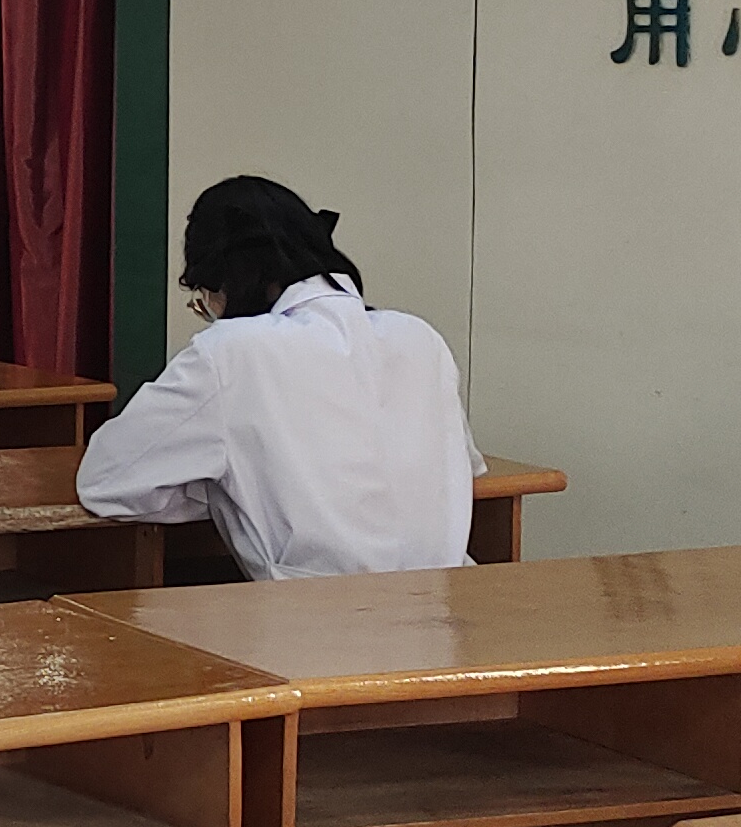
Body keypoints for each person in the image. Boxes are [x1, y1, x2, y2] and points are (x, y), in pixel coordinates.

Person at [75, 175, 482, 579]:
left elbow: (105, 480)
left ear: (225, 280)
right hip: (449, 606)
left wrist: (219, 486)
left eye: (204, 301)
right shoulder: (419, 336)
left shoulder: (231, 351)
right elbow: (463, 469)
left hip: (317, 615)